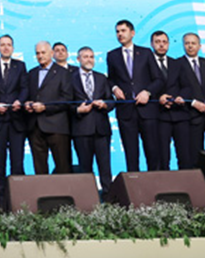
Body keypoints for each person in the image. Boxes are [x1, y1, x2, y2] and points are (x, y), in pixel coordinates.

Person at [106, 20, 165, 171]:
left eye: (123, 31)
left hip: (147, 110)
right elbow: (111, 79)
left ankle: (155, 182)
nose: (120, 34)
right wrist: (114, 88)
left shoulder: (146, 53)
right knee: (131, 154)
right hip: (126, 111)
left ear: (132, 33)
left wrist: (147, 92)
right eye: (117, 31)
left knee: (153, 152)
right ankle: (134, 184)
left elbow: (158, 79)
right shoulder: (112, 55)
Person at [168, 33, 205, 168]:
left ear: (199, 46)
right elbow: (176, 88)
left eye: (193, 43)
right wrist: (193, 102)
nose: (190, 46)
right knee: (194, 156)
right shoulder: (176, 64)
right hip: (191, 116)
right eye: (187, 43)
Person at [0, 34, 28, 212]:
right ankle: (1, 202)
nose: (6, 47)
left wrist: (19, 101)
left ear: (13, 48)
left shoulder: (20, 66)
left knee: (17, 163)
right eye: (2, 45)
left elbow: (24, 88)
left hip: (17, 121)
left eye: (9, 44)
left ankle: (19, 201)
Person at [25, 41, 75, 174]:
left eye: (43, 52)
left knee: (62, 166)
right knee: (39, 168)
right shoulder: (32, 73)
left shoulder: (63, 73)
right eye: (37, 53)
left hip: (57, 126)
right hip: (35, 126)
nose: (40, 56)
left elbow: (67, 99)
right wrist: (28, 104)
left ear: (51, 53)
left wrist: (45, 107)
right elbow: (28, 95)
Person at [70, 47, 115, 191]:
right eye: (85, 57)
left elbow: (111, 100)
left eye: (91, 57)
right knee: (85, 168)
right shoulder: (70, 79)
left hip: (101, 129)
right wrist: (78, 110)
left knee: (105, 167)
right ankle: (88, 197)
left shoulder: (101, 77)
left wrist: (105, 105)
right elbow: (66, 103)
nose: (89, 60)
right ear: (78, 59)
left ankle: (108, 196)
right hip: (81, 129)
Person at [152, 31, 189, 169]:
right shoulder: (146, 64)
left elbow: (186, 86)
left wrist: (181, 97)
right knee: (162, 157)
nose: (161, 45)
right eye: (157, 42)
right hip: (159, 115)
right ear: (152, 44)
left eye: (164, 42)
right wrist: (158, 98)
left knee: (185, 155)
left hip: (180, 114)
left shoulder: (176, 63)